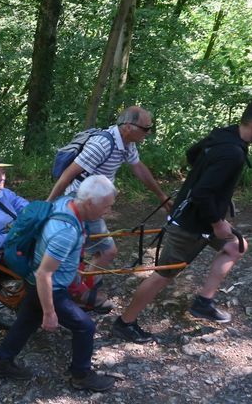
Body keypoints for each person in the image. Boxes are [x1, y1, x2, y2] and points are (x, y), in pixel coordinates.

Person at [112, 101, 252, 343]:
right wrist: (217, 222)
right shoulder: (231, 152)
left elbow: (192, 154)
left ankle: (203, 302)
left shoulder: (224, 135)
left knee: (236, 246)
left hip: (202, 219)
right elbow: (201, 193)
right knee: (163, 275)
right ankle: (124, 323)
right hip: (191, 223)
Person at [0, 175, 117, 392]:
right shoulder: (64, 233)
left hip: (36, 280)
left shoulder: (66, 202)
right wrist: (50, 313)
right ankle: (81, 375)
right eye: (105, 207)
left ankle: (2, 362)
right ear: (88, 203)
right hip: (50, 287)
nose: (107, 212)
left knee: (27, 321)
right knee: (85, 326)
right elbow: (44, 275)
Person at [47, 106, 172, 302]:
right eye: (146, 128)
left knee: (81, 249)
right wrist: (49, 203)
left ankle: (81, 284)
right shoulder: (102, 145)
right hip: (80, 204)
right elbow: (68, 174)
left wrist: (162, 197)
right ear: (128, 127)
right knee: (107, 250)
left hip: (94, 205)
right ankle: (82, 293)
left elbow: (139, 168)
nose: (149, 133)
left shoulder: (127, 143)